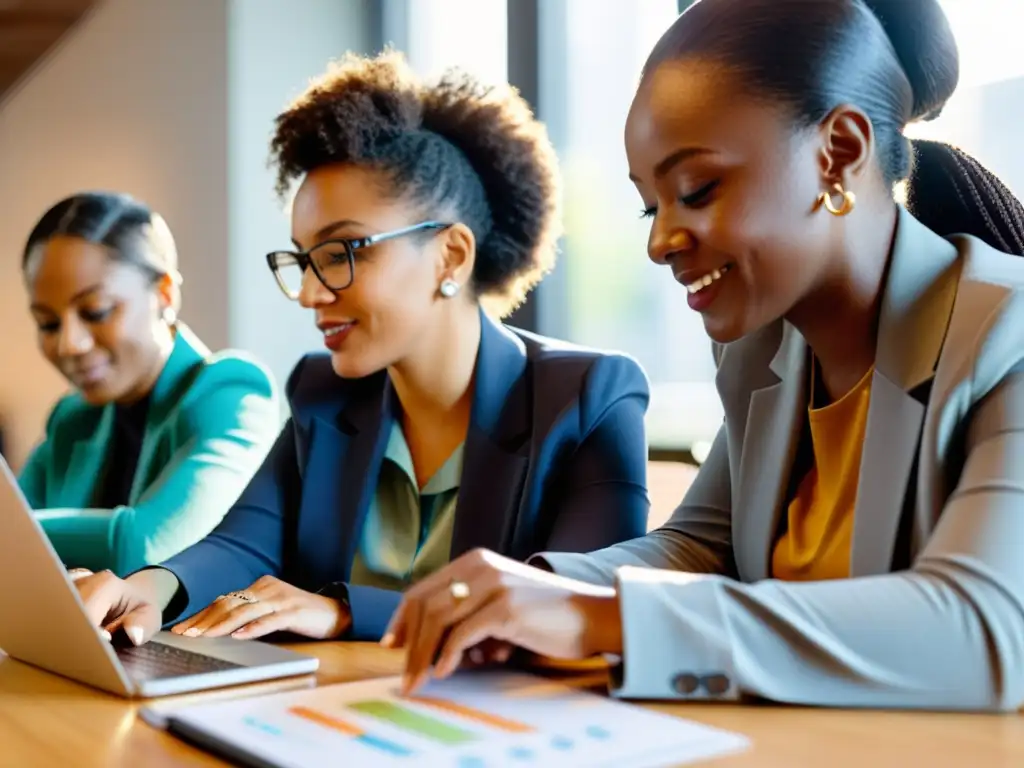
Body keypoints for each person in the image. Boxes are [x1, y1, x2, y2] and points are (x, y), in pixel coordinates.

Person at [384, 0, 1024, 711]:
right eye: (649, 207)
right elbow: (700, 547)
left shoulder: (1009, 332)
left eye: (696, 190)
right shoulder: (763, 352)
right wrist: (533, 590)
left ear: (838, 153)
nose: (659, 242)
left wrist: (599, 619)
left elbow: (984, 628)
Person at [72, 51, 650, 647]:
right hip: (332, 713)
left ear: (451, 255)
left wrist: (346, 611)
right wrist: (149, 587)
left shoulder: (589, 399)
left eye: (343, 252)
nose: (310, 294)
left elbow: (579, 610)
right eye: (303, 260)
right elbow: (244, 541)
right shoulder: (323, 394)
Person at [19, 191, 280, 576]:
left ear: (164, 294)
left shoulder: (232, 391)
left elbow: (146, 546)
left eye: (96, 311)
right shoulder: (72, 419)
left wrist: (22, 535)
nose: (68, 344)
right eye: (48, 323)